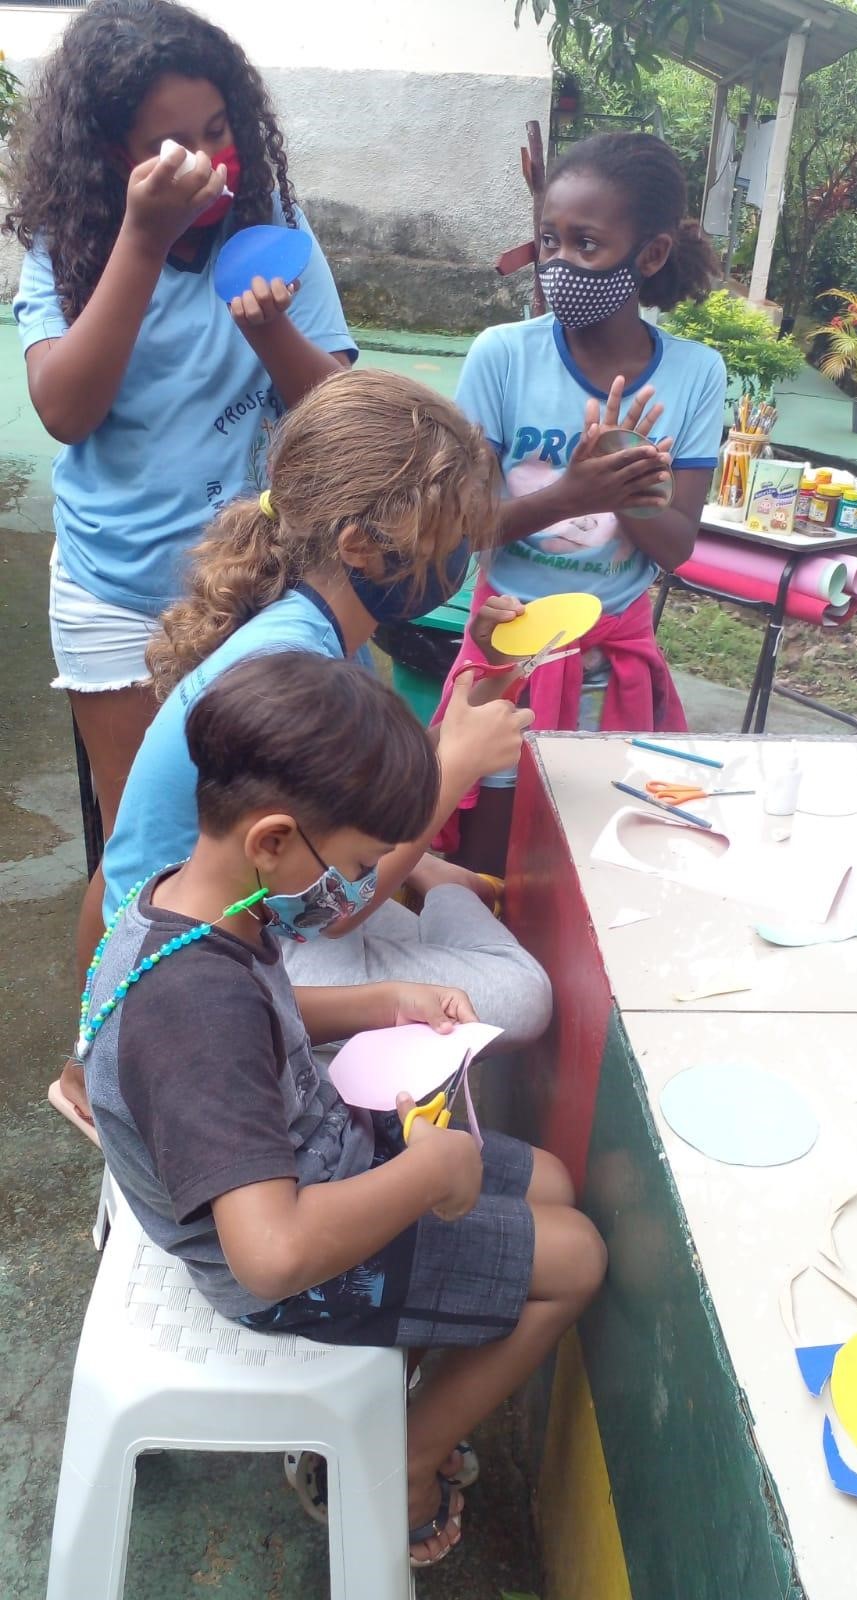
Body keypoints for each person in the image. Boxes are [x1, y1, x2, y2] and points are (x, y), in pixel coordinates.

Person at [81, 650, 607, 1567]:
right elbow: (272, 1254)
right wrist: (428, 1172)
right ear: (274, 840)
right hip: (294, 1257)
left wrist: (379, 1000)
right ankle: (404, 1458)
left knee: (553, 1182)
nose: (359, 888)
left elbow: (262, 1017)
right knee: (576, 1256)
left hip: (317, 1155)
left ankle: (399, 1394)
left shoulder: (199, 898)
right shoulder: (193, 1010)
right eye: (358, 865)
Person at [45, 369, 551, 1139]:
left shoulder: (313, 630)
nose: (458, 565)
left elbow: (361, 798)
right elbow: (334, 906)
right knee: (524, 994)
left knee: (437, 925)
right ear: (360, 547)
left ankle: (438, 894)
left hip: (242, 924)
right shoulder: (295, 662)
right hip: (216, 959)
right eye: (449, 541)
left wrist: (479, 676)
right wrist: (455, 769)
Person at [6, 0, 356, 951]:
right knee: (148, 849)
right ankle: (106, 1031)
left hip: (247, 589)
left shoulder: (274, 231)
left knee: (260, 833)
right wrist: (144, 239)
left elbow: (338, 416)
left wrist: (270, 331)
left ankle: (225, 1006)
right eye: (170, 145)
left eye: (216, 130)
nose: (206, 161)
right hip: (117, 595)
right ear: (109, 155)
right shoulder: (71, 248)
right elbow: (65, 410)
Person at [431, 131, 728, 874]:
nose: (560, 263)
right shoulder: (503, 355)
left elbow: (677, 546)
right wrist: (573, 493)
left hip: (611, 662)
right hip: (507, 652)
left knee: (587, 864)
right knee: (487, 863)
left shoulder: (695, 374)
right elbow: (465, 528)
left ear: (650, 255)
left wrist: (625, 492)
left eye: (586, 244)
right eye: (549, 241)